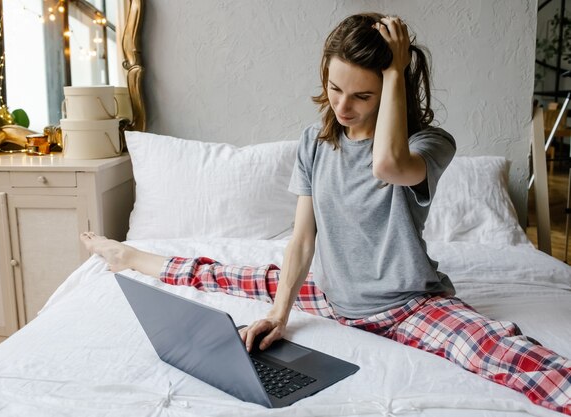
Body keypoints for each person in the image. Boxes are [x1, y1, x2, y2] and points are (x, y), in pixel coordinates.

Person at [80, 13, 571, 415]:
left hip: (409, 305)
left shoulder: (429, 144)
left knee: (503, 352)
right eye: (336, 89)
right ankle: (131, 257)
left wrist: (397, 68)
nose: (343, 106)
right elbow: (301, 240)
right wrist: (280, 311)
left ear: (391, 90)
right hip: (334, 295)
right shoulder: (314, 144)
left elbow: (388, 164)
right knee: (233, 277)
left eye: (363, 95)